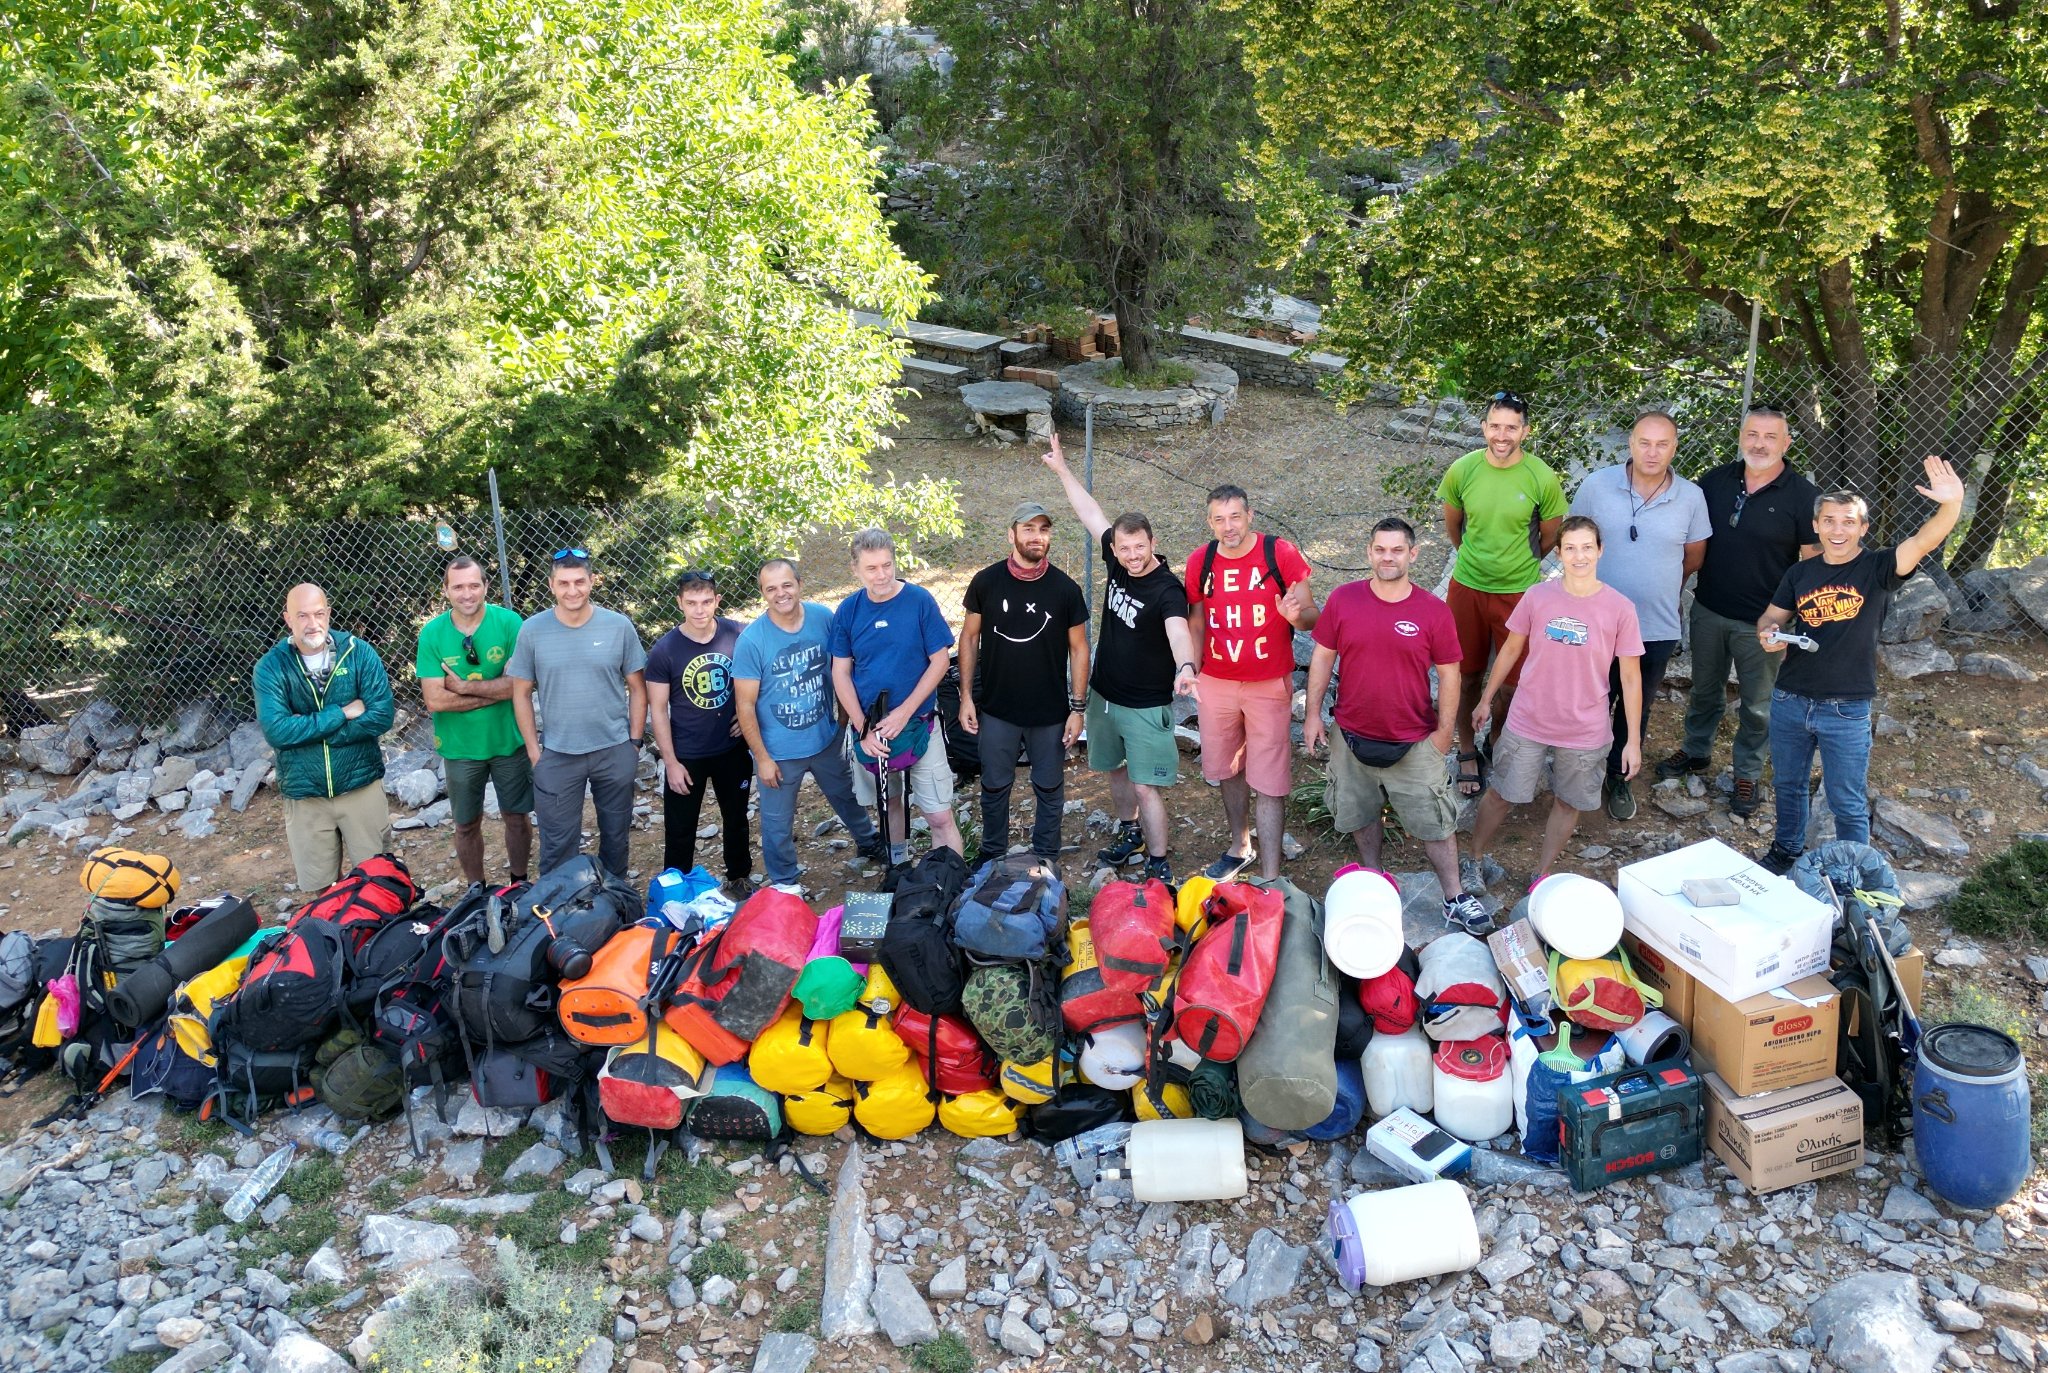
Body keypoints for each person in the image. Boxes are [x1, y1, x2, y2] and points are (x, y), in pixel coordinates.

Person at [1755, 457, 1965, 874]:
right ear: (1815, 526)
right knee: (1787, 785)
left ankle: (1855, 872)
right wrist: (1769, 633)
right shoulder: (1800, 573)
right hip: (1791, 698)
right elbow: (1771, 616)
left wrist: (1951, 505)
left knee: (1846, 798)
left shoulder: (1878, 568)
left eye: (1848, 521)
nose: (1838, 529)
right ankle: (1787, 852)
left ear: (1863, 529)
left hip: (1846, 707)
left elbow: (1923, 542)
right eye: (1829, 520)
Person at [1304, 518, 1492, 934]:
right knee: (1360, 815)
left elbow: (1450, 674)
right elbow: (1322, 657)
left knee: (1436, 825)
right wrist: (1313, 714)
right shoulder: (1343, 600)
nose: (1387, 557)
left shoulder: (1432, 611)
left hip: (1415, 741)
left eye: (1397, 550)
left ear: (1413, 554)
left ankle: (1454, 896)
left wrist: (1444, 735)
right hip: (1351, 737)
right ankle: (1374, 880)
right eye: (1380, 549)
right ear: (1369, 552)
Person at [1042, 434, 1198, 885]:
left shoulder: (1167, 588)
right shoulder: (1117, 561)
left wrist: (1186, 667)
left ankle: (1158, 860)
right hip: (1104, 695)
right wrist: (1063, 471)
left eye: (1139, 547)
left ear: (1153, 542)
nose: (1131, 555)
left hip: (1146, 704)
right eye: (1123, 548)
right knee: (1114, 769)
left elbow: (1177, 631)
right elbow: (1091, 513)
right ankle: (1128, 832)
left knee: (1146, 784)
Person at [1659, 406, 1819, 819]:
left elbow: (1811, 565)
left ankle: (1747, 772)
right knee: (1705, 690)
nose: (1759, 444)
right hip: (1710, 608)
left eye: (1770, 436)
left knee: (1758, 704)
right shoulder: (1714, 481)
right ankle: (1695, 751)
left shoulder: (1802, 496)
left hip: (1765, 622)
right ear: (1741, 437)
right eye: (1752, 434)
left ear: (1786, 442)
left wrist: (1789, 620)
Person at [1468, 517, 1644, 884]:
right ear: (1559, 553)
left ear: (1600, 550)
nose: (1579, 555)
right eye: (1570, 548)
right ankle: (1474, 858)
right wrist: (1486, 698)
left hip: (1586, 726)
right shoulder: (1538, 596)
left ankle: (1541, 874)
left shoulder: (1620, 608)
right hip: (1529, 718)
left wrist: (1632, 741)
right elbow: (1511, 648)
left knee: (1568, 801)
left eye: (1587, 547)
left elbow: (1630, 676)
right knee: (1502, 793)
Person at [1568, 412, 1710, 821]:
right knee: (1590, 698)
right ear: (1630, 443)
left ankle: (1619, 776)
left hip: (1655, 624)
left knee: (1636, 706)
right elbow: (1575, 540)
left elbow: (1694, 557)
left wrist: (1662, 584)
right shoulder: (1597, 486)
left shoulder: (1690, 497)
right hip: (1593, 621)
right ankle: (1579, 772)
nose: (1652, 452)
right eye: (1644, 442)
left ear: (1674, 447)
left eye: (1662, 444)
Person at [1183, 483, 1319, 880]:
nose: (1229, 527)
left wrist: (1296, 617)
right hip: (1217, 681)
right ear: (1210, 522)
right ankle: (1239, 845)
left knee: (1271, 778)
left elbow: (1311, 614)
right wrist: (1191, 666)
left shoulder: (1280, 554)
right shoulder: (1200, 562)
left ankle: (1272, 875)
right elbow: (1196, 620)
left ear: (1251, 515)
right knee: (1227, 769)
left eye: (1235, 517)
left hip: (1267, 683)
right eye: (1219, 519)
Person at [1438, 390, 1568, 798]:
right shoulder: (1462, 470)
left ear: (1525, 432)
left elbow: (1549, 537)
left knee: (1513, 683)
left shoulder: (1541, 477)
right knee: (1464, 675)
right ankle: (1465, 750)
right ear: (1484, 428)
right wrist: (1478, 561)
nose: (1502, 434)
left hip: (1519, 595)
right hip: (1468, 587)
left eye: (1511, 427)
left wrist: (1517, 567)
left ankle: (1496, 740)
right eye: (1495, 426)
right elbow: (1454, 528)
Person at [733, 559, 885, 895]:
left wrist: (844, 719)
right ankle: (786, 882)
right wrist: (762, 757)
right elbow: (744, 705)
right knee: (776, 823)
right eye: (771, 588)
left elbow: (841, 669)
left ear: (799, 584)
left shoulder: (823, 619)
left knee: (847, 795)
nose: (780, 593)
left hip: (825, 737)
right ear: (762, 593)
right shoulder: (752, 640)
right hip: (779, 751)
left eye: (786, 585)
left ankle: (869, 842)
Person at [957, 501, 1090, 861]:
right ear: (1011, 534)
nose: (1036, 537)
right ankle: (992, 856)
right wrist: (966, 696)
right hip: (998, 709)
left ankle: (1046, 857)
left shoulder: (1065, 589)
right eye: (1028, 529)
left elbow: (1079, 649)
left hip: (1049, 712)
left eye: (1043, 529)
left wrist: (1078, 709)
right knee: (994, 786)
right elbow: (969, 638)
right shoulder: (986, 582)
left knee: (1049, 788)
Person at [508, 549, 647, 878]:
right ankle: (559, 916)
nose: (573, 590)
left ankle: (614, 907)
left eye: (580, 582)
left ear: (592, 582)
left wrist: (634, 744)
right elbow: (521, 693)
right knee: (557, 847)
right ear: (551, 585)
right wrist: (533, 750)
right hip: (557, 754)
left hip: (613, 750)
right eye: (564, 583)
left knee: (615, 839)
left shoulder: (618, 626)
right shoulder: (532, 630)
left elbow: (638, 688)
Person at [829, 530, 966, 863]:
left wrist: (905, 711)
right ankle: (899, 868)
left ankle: (948, 880)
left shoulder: (919, 601)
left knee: (938, 814)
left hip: (919, 724)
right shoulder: (848, 611)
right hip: (871, 731)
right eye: (872, 568)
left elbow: (938, 662)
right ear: (856, 570)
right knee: (889, 802)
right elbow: (840, 673)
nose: (882, 575)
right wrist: (863, 729)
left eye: (887, 565)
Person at [254, 583, 395, 892]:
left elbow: (381, 715)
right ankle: (331, 939)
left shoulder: (359, 653)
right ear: (287, 619)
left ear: (329, 613)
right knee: (322, 890)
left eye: (319, 613)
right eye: (302, 615)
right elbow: (277, 731)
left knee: (378, 881)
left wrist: (314, 734)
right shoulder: (271, 667)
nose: (312, 623)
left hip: (360, 783)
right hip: (306, 794)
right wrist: (341, 714)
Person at [415, 557, 533, 887]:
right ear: (446, 591)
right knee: (466, 823)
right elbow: (435, 699)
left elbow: (522, 685)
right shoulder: (432, 634)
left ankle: (518, 883)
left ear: (485, 587)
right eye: (458, 587)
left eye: (474, 585)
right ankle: (475, 890)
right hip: (460, 747)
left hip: (508, 739)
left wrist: (464, 687)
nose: (467, 594)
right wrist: (498, 689)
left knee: (516, 816)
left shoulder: (510, 624)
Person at [645, 570, 753, 898]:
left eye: (707, 601)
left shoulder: (739, 634)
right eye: (691, 603)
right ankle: (675, 888)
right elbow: (658, 709)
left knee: (736, 817)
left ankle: (738, 876)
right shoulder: (665, 650)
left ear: (717, 600)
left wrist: (749, 715)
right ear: (679, 603)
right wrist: (671, 761)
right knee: (680, 828)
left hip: (730, 748)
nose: (699, 610)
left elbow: (762, 676)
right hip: (687, 752)